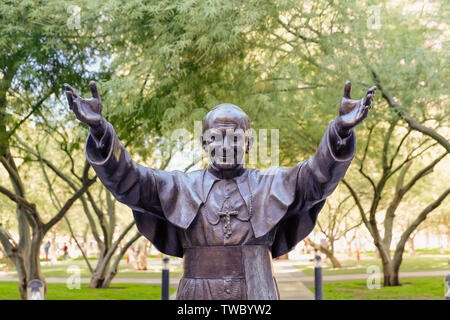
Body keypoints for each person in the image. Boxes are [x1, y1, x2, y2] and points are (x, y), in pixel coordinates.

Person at [64, 80, 375, 299]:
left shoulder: (273, 184)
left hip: (258, 293)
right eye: (216, 137)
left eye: (235, 137)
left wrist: (340, 131)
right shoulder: (178, 186)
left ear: (249, 143)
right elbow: (127, 181)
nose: (226, 145)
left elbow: (318, 177)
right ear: (204, 143)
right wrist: (101, 132)